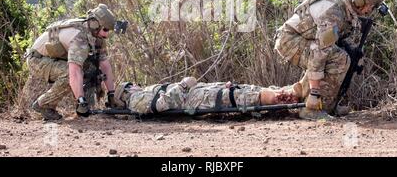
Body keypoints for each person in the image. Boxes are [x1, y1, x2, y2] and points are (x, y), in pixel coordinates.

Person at [274, 0, 382, 120]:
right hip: (288, 41)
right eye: (369, 5)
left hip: (299, 39)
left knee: (344, 55)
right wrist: (314, 93)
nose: (370, 10)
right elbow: (320, 52)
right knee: (339, 58)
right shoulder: (334, 12)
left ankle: (328, 106)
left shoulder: (343, 9)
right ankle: (312, 108)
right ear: (359, 0)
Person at [25, 4, 120, 120]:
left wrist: (111, 95)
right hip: (37, 60)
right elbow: (74, 73)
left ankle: (85, 106)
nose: (106, 34)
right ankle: (43, 104)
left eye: (109, 30)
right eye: (105, 29)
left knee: (92, 67)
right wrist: (81, 101)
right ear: (95, 24)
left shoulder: (96, 35)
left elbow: (105, 65)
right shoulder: (79, 38)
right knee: (69, 74)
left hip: (55, 58)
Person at [113, 76, 299, 114]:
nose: (136, 85)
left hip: (197, 92)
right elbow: (161, 106)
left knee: (238, 89)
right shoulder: (135, 100)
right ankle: (282, 96)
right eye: (131, 85)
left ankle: (287, 91)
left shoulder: (141, 94)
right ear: (126, 92)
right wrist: (183, 85)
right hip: (193, 99)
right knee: (236, 96)